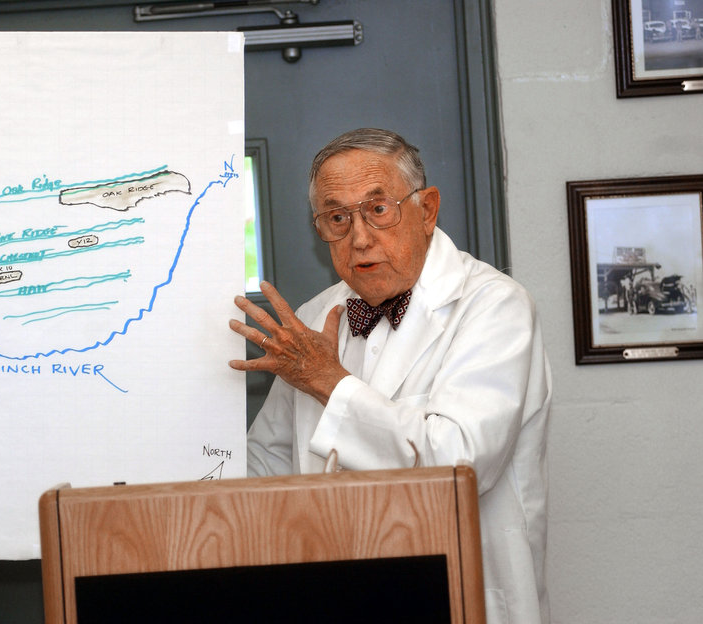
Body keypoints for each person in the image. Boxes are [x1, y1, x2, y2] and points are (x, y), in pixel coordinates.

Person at [228, 128, 551, 624]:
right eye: (337, 218)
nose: (358, 237)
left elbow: (458, 463)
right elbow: (266, 465)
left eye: (378, 210)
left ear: (427, 210)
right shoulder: (315, 317)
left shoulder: (495, 305)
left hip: (457, 595)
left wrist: (327, 381)